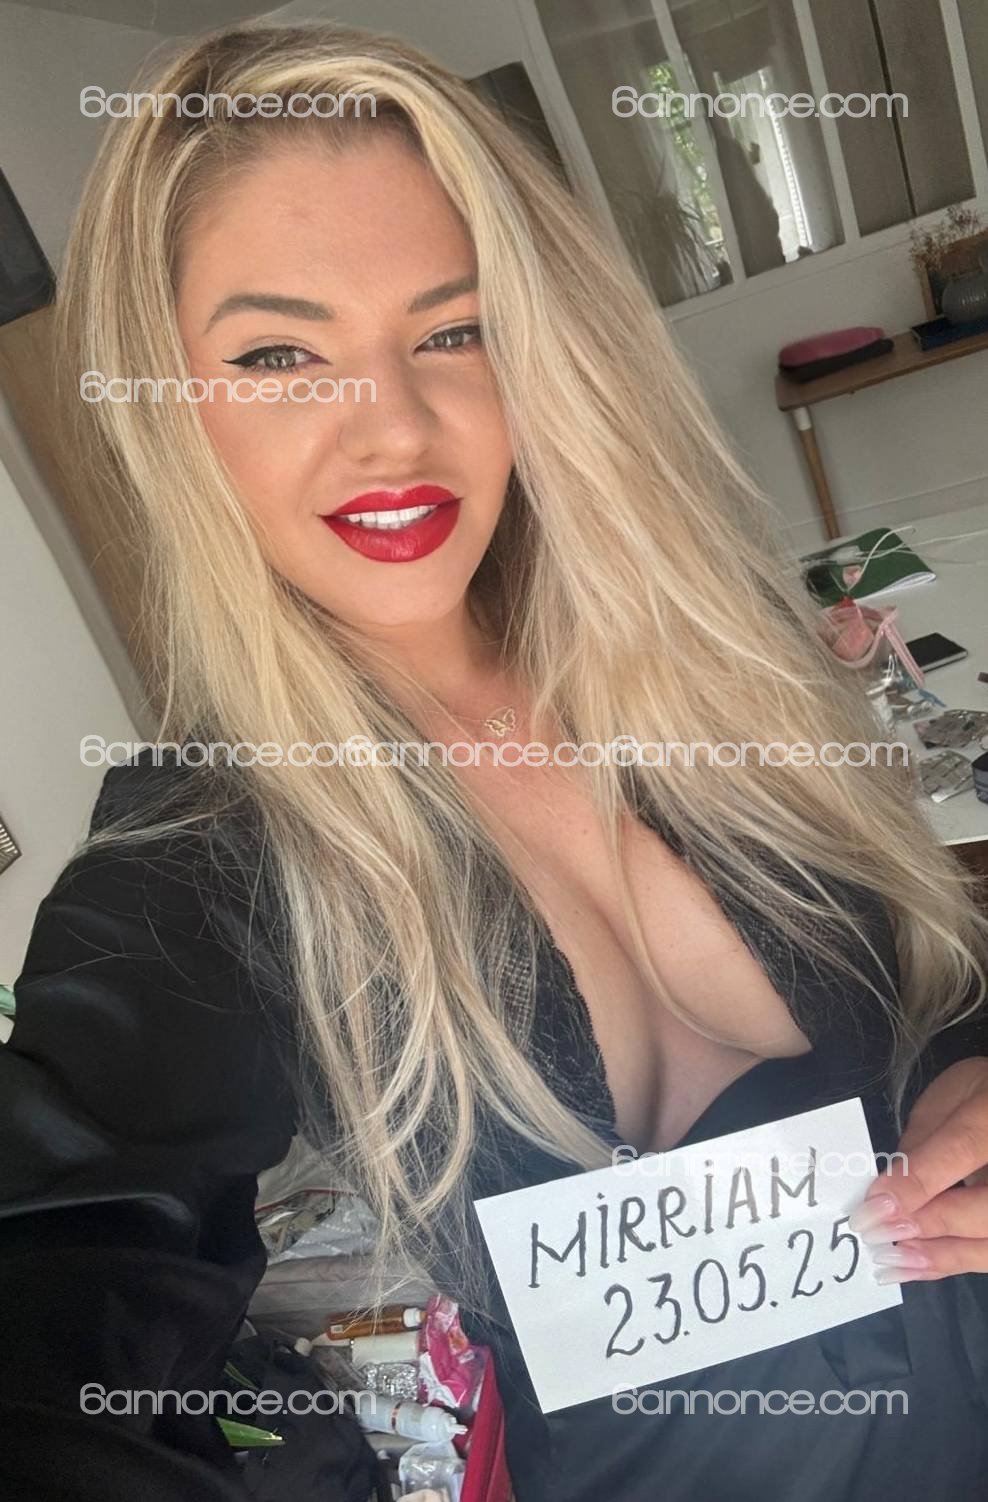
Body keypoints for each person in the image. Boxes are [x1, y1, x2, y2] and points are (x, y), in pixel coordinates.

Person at [3, 20, 988, 1501]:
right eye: (279, 355)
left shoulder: (698, 664)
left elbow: (938, 978)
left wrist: (972, 1071)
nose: (392, 428)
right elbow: (52, 1304)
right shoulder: (197, 863)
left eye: (452, 331)